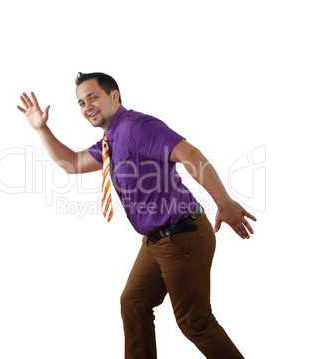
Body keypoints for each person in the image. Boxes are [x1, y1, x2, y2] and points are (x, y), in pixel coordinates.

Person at [17, 72, 257, 358]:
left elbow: (190, 154)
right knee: (133, 303)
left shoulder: (138, 127)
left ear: (114, 95)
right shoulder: (111, 140)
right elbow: (71, 163)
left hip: (182, 236)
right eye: (81, 102)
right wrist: (41, 129)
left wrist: (224, 201)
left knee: (195, 322)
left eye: (93, 97)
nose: (87, 106)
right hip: (155, 241)